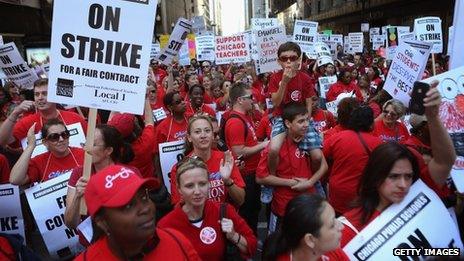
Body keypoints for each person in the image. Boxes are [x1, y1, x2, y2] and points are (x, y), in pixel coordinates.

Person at [340, 81, 456, 246]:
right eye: (393, 176)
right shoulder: (349, 228)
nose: (403, 185)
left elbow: (446, 161)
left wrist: (432, 116)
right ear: (375, 176)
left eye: (408, 176)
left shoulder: (417, 193)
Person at [75, 165, 201, 260]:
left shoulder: (175, 241)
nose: (145, 209)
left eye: (144, 197)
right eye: (128, 206)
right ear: (102, 222)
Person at [158, 157, 257, 261]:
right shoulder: (166, 226)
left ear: (209, 183)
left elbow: (252, 246)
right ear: (179, 189)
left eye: (202, 184)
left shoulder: (224, 211)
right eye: (189, 186)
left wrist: (234, 236)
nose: (197, 191)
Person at [257, 103, 327, 232]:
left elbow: (324, 166)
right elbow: (261, 178)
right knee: (280, 246)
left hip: (309, 206)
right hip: (284, 208)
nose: (306, 124)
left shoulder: (312, 142)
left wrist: (310, 182)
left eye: (307, 120)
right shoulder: (274, 147)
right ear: (288, 124)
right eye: (301, 121)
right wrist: (291, 183)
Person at [266, 42, 320, 184]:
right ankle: (272, 179)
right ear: (279, 61)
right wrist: (284, 81)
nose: (289, 61)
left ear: (299, 59)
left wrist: (306, 121)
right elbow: (276, 103)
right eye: (284, 58)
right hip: (281, 119)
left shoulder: (305, 78)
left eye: (292, 57)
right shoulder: (275, 78)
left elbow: (309, 102)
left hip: (301, 119)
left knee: (317, 157)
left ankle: (313, 179)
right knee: (273, 150)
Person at [64, 124, 134, 230]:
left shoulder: (128, 173)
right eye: (85, 143)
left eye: (92, 144)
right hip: (92, 242)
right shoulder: (79, 174)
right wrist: (77, 197)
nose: (86, 148)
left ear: (108, 150)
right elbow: (71, 224)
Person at [170, 115, 245, 206]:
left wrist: (227, 181)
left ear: (213, 135)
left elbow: (240, 200)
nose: (203, 135)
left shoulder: (225, 160)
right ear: (189, 137)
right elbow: (178, 208)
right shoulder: (180, 168)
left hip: (223, 217)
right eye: (197, 132)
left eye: (207, 131)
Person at [224, 82, 269, 232]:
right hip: (245, 176)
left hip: (251, 173)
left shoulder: (244, 117)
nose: (253, 100)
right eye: (250, 97)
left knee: (253, 211)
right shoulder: (236, 122)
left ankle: (253, 240)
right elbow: (239, 152)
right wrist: (263, 145)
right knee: (247, 213)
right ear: (240, 100)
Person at [323, 106, 382, 214]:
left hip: (338, 191)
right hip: (362, 194)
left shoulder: (337, 138)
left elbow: (320, 157)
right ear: (370, 123)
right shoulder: (378, 144)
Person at [0, 78, 87, 148]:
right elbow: (2, 140)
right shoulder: (26, 123)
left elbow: (91, 143)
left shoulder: (75, 118)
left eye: (45, 93)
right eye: (37, 94)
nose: (40, 98)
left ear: (54, 95)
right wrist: (15, 113)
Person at [263, 194, 348, 261]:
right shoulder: (328, 248)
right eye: (332, 225)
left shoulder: (330, 250)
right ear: (310, 240)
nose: (342, 226)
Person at [9, 119, 84, 185]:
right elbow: (15, 180)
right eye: (54, 137)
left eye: (64, 134)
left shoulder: (83, 154)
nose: (61, 139)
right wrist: (30, 146)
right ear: (45, 142)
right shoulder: (39, 162)